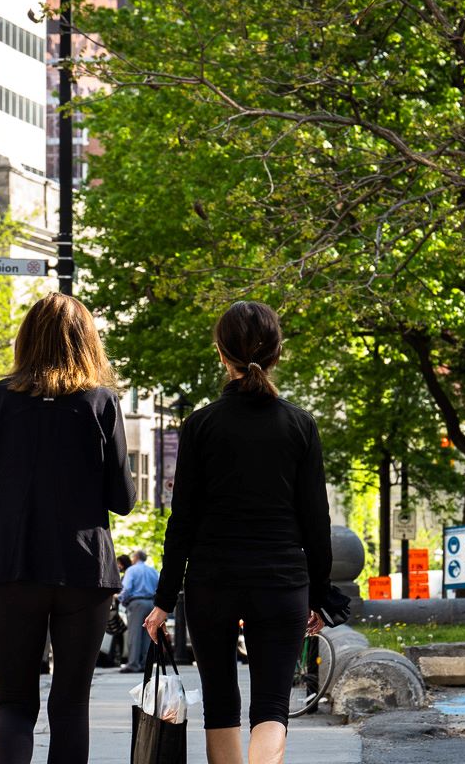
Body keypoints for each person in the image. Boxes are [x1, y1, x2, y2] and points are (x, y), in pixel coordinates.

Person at [143, 301, 332, 764]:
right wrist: (321, 595)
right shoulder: (300, 425)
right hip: (282, 579)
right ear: (277, 352)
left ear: (220, 353)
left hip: (214, 579)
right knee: (271, 705)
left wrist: (164, 600)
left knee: (220, 702)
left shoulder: (201, 425)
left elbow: (181, 521)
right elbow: (316, 520)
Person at [0, 293, 137, 764]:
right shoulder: (101, 403)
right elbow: (123, 500)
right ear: (88, 343)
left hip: (13, 565)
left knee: (14, 703)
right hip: (83, 569)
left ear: (27, 339)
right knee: (71, 705)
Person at [117, 549, 159, 673]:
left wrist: (119, 598)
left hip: (136, 603)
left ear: (135, 558)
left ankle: (133, 664)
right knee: (148, 634)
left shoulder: (131, 570)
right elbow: (159, 587)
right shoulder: (153, 571)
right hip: (151, 603)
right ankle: (145, 664)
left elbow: (127, 588)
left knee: (134, 635)